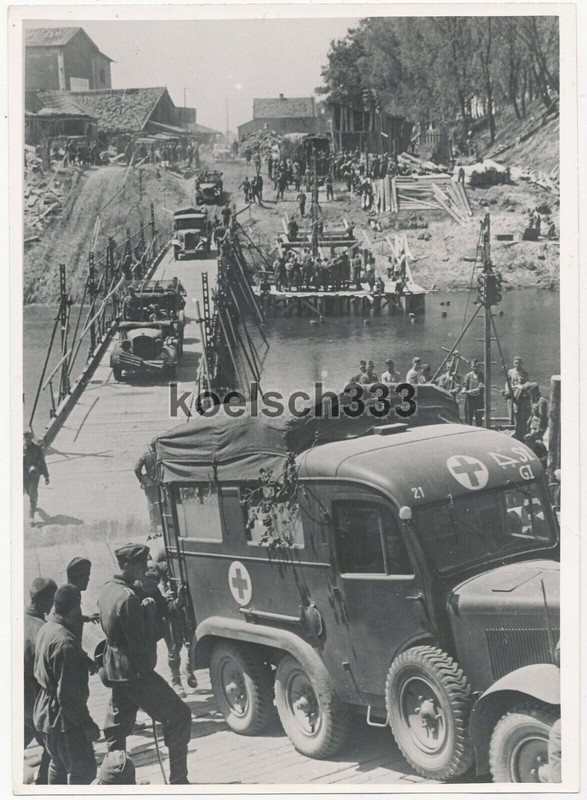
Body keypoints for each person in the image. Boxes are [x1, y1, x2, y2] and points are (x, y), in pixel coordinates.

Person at [98, 544, 192, 785]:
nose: (145, 568)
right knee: (179, 716)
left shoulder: (108, 589)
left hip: (116, 670)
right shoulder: (128, 598)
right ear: (127, 566)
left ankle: (113, 782)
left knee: (117, 727)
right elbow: (140, 644)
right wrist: (150, 617)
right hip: (136, 672)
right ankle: (179, 781)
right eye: (140, 564)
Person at [34, 585, 100, 784]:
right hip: (64, 722)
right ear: (75, 608)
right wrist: (88, 724)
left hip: (45, 715)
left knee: (58, 764)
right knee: (85, 772)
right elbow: (68, 697)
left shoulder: (47, 628)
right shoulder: (65, 643)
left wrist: (83, 660)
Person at [24, 577, 57, 785]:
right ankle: (42, 786)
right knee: (53, 748)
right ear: (46, 600)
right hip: (34, 702)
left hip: (17, 701)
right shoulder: (42, 630)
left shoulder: (16, 621)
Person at [23, 429, 49, 524]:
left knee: (32, 492)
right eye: (26, 438)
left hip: (34, 473)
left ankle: (31, 516)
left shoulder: (37, 448)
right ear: (23, 438)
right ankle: (34, 498)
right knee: (28, 491)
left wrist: (46, 476)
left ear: (32, 438)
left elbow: (42, 462)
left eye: (30, 438)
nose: (28, 439)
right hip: (24, 474)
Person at [134, 444, 160, 532]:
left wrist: (143, 480)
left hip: (149, 483)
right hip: (161, 482)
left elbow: (136, 469)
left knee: (151, 503)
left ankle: (154, 526)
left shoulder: (145, 456)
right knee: (162, 502)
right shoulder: (162, 455)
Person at [503, 356, 529, 423]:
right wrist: (507, 390)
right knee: (511, 407)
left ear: (521, 364)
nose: (517, 365)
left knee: (518, 410)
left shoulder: (524, 372)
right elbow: (507, 382)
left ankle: (519, 422)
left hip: (520, 393)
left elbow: (527, 383)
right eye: (516, 363)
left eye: (519, 363)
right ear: (513, 364)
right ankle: (511, 421)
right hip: (512, 392)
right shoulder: (511, 372)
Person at [462, 358, 485, 426]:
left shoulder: (481, 375)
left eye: (476, 366)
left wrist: (471, 391)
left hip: (479, 399)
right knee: (468, 416)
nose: (475, 368)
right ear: (471, 367)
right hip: (470, 399)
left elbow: (480, 388)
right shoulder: (468, 375)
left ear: (479, 366)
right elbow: (465, 385)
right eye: (473, 366)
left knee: (479, 416)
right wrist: (463, 390)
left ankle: (479, 428)